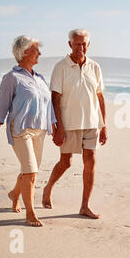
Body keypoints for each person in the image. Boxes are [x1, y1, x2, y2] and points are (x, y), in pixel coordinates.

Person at [0, 35, 57, 227]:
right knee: (31, 172)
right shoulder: (11, 78)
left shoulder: (40, 78)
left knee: (29, 171)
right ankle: (30, 213)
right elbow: (2, 106)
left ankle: (14, 193)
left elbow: (48, 106)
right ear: (25, 52)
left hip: (40, 130)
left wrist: (54, 125)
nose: (40, 53)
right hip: (20, 129)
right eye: (36, 49)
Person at [42, 28, 107, 219]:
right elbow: (55, 98)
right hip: (69, 124)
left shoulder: (95, 67)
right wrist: (58, 127)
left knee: (91, 161)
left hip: (92, 123)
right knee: (66, 162)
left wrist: (103, 125)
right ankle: (48, 188)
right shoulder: (61, 67)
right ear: (70, 44)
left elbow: (100, 96)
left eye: (84, 44)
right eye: (77, 44)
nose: (80, 47)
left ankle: (84, 206)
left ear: (88, 45)